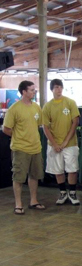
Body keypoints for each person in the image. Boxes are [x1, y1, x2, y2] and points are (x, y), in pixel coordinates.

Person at [3, 80, 45, 214]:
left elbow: (38, 125)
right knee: (19, 177)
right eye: (32, 90)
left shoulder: (36, 107)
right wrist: (18, 137)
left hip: (36, 148)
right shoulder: (14, 109)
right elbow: (6, 129)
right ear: (24, 92)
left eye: (34, 90)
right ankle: (18, 203)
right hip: (20, 149)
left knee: (34, 176)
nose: (34, 92)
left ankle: (34, 200)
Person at [42, 79, 80, 206]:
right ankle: (63, 192)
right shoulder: (47, 106)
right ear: (52, 89)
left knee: (72, 169)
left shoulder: (70, 102)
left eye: (61, 87)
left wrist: (65, 142)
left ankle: (73, 192)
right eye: (56, 87)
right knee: (58, 170)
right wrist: (55, 144)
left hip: (70, 144)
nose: (59, 90)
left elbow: (75, 122)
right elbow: (45, 127)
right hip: (54, 144)